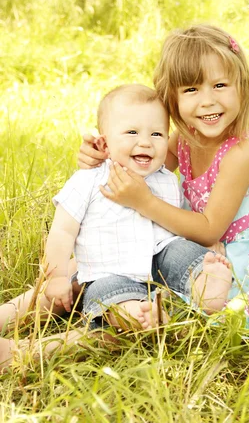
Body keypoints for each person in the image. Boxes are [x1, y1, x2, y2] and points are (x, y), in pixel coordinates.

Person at [78, 25, 249, 330]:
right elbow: (136, 168)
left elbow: (210, 230)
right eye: (191, 89)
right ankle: (32, 301)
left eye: (220, 85)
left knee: (167, 309)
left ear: (242, 88)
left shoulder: (242, 153)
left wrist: (144, 201)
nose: (207, 101)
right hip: (199, 250)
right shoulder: (185, 139)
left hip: (245, 262)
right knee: (103, 270)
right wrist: (99, 155)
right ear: (173, 98)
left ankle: (45, 345)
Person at [0, 83, 231, 369]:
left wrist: (201, 245)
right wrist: (57, 276)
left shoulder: (166, 178)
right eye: (132, 133)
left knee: (183, 253)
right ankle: (135, 313)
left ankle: (208, 285)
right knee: (112, 293)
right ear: (105, 143)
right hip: (109, 270)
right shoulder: (88, 180)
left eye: (157, 134)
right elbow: (62, 231)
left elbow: (180, 220)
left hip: (162, 257)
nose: (146, 142)